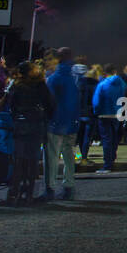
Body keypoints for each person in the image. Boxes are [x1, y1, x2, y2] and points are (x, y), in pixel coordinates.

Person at [9, 61, 54, 206]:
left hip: (20, 124)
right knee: (32, 160)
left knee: (18, 159)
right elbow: (51, 105)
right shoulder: (41, 86)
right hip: (36, 125)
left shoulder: (16, 86)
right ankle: (29, 193)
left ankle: (14, 192)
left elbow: (10, 105)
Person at [46, 47, 80, 200]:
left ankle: (50, 187)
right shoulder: (78, 76)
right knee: (68, 155)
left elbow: (49, 101)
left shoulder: (54, 78)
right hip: (72, 121)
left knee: (52, 156)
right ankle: (69, 185)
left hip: (56, 122)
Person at [92, 64, 126, 172]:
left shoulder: (102, 84)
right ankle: (112, 158)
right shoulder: (122, 84)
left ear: (105, 73)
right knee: (115, 139)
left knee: (107, 139)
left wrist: (96, 112)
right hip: (118, 114)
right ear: (115, 71)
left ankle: (107, 164)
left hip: (104, 114)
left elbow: (96, 102)